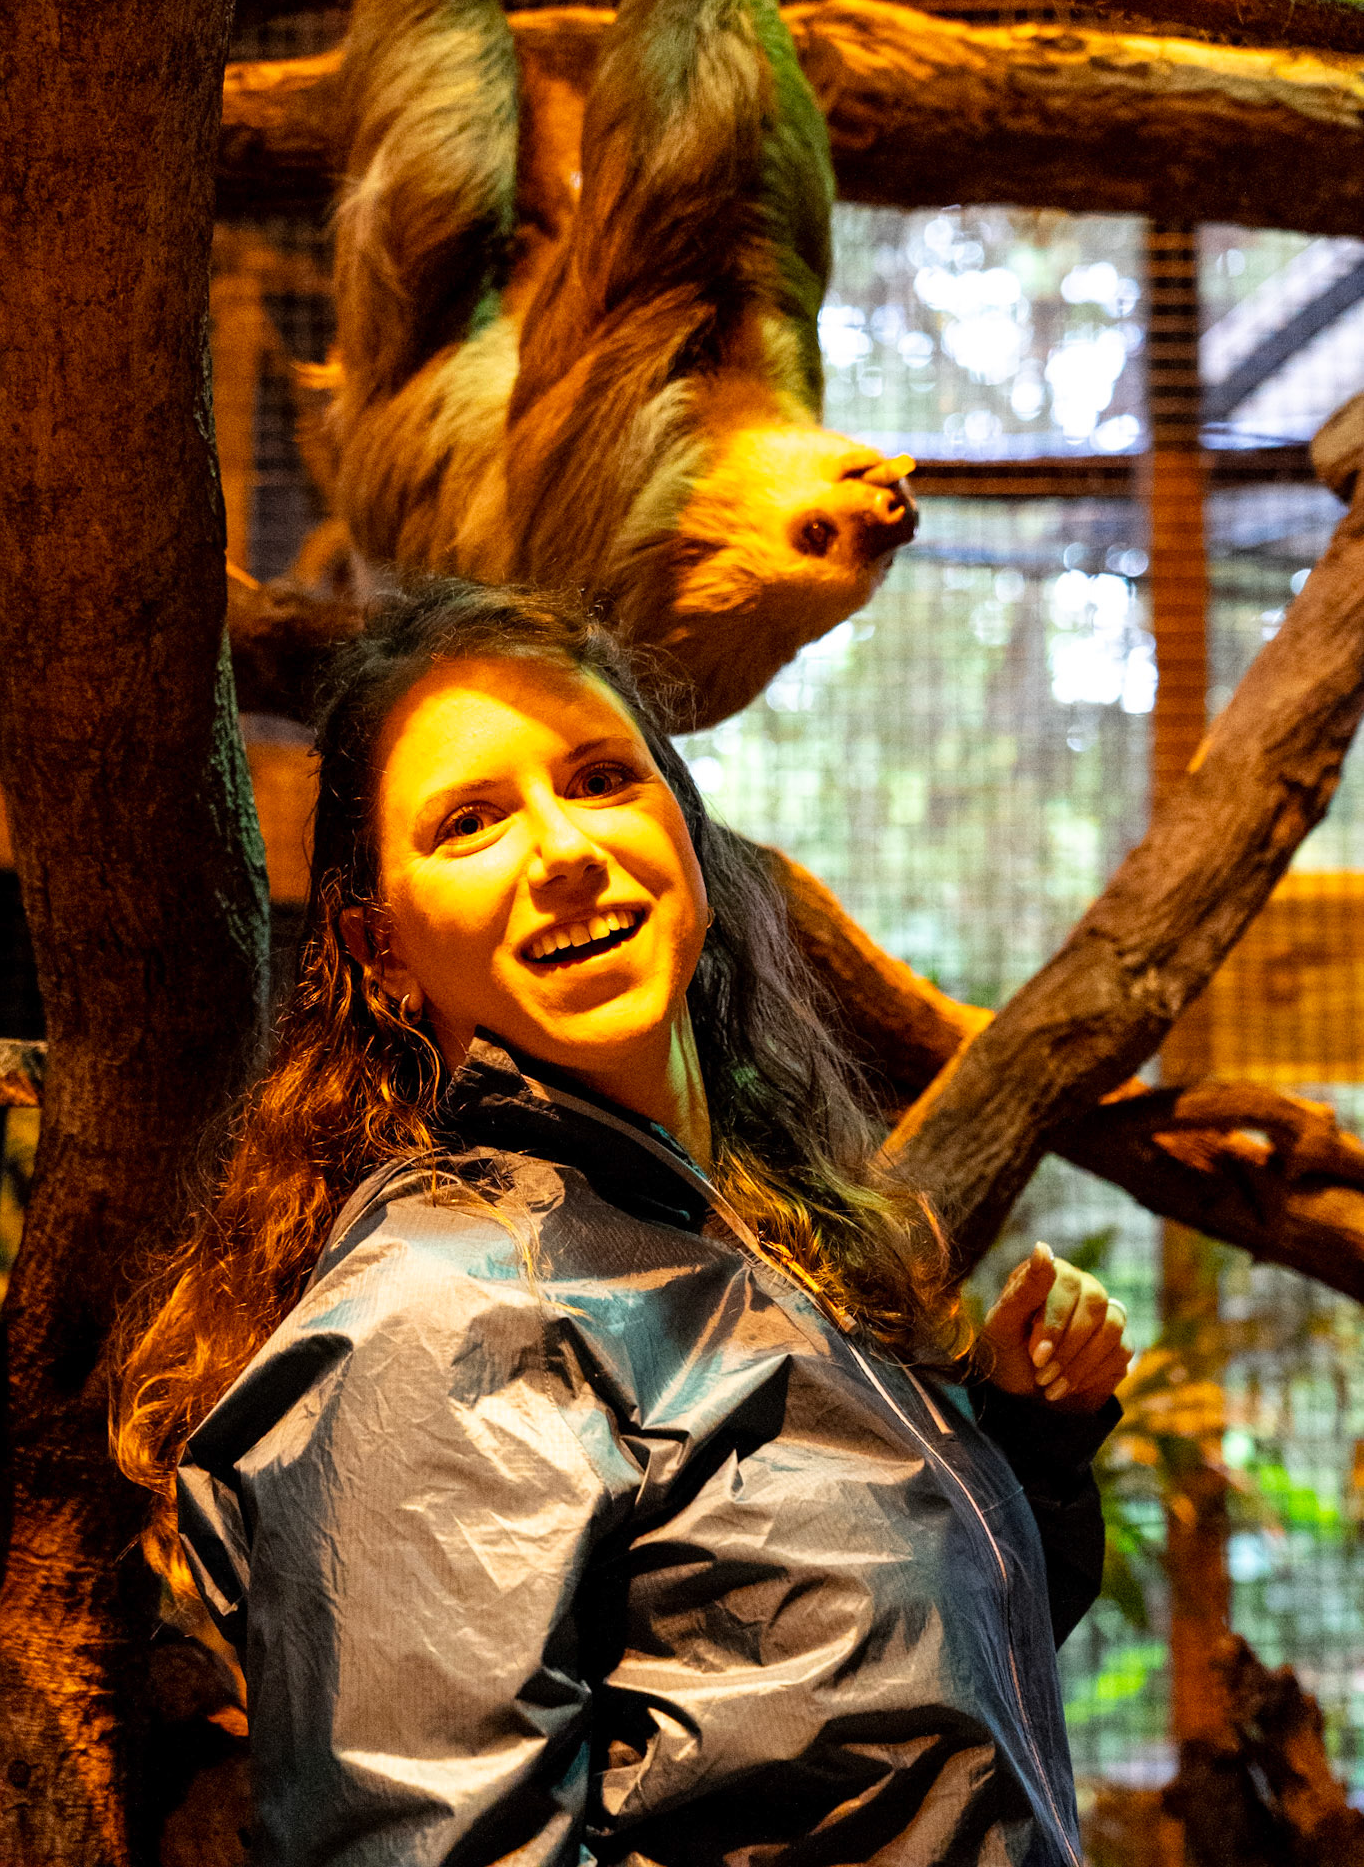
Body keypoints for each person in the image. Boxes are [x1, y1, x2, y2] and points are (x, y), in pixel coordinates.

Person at [116, 577, 1133, 1867]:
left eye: (600, 780)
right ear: (381, 948)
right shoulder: (450, 1317)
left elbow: (883, 1718)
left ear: (684, 830)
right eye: (471, 822)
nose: (563, 851)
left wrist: (1025, 1446)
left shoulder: (715, 1237)